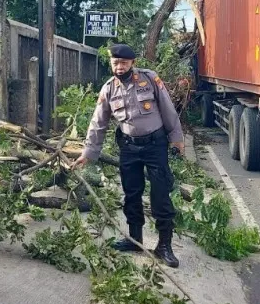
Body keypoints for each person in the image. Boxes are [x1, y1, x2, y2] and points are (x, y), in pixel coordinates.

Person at [75, 44, 184, 268]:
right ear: (111, 63)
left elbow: (168, 109)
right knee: (131, 193)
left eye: (124, 63)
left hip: (155, 145)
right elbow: (98, 122)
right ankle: (135, 239)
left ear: (132, 62)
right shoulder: (108, 89)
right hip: (128, 148)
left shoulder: (150, 79)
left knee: (161, 194)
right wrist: (89, 152)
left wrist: (177, 139)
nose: (120, 66)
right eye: (116, 63)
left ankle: (165, 245)